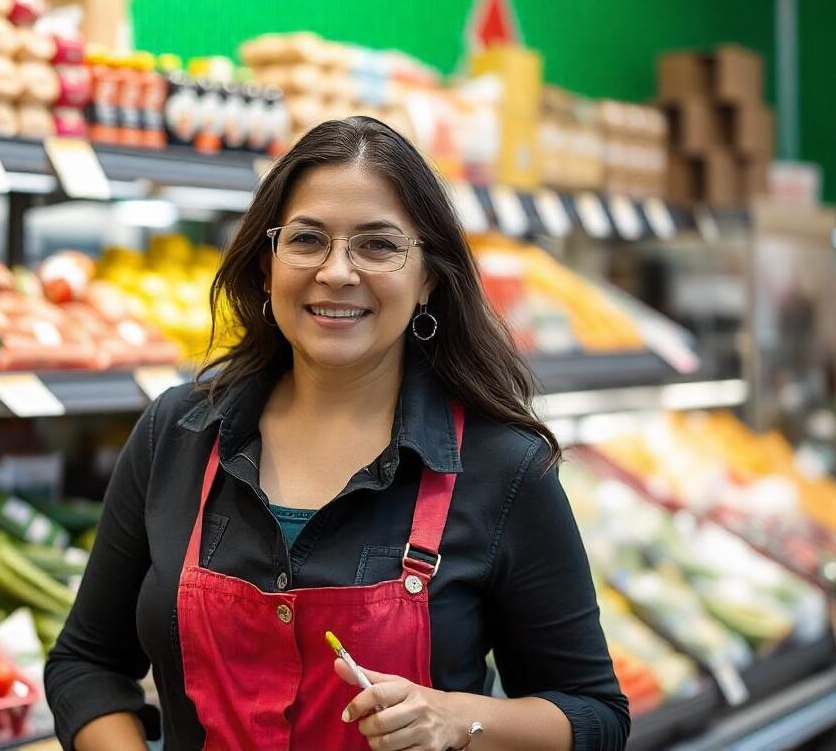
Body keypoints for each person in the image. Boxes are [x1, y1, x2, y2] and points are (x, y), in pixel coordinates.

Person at [45, 116, 629, 751]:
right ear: (267, 264)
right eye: (307, 240)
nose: (337, 272)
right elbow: (87, 664)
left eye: (378, 246)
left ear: (428, 275)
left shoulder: (502, 468)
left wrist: (457, 719)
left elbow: (596, 715)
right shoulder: (178, 433)